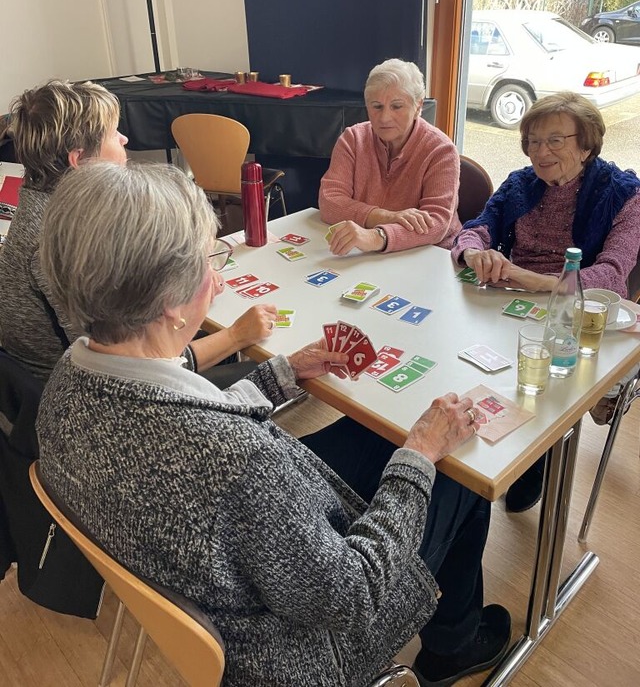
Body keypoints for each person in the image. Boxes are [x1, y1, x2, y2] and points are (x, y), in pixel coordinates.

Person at [37, 161, 511, 687]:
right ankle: (454, 645)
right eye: (208, 258)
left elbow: (188, 410)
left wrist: (282, 374)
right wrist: (421, 453)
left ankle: (454, 626)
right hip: (302, 650)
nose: (216, 277)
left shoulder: (66, 383)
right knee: (461, 471)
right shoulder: (239, 463)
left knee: (374, 432)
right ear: (170, 304)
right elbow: (348, 597)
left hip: (211, 570)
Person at [0, 79, 275, 383]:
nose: (124, 139)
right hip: (84, 393)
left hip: (66, 381)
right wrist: (236, 336)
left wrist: (190, 287)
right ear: (79, 160)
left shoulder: (45, 208)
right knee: (261, 372)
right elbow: (123, 369)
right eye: (112, 134)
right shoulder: (60, 243)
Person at [452, 91, 640, 512]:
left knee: (546, 371)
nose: (541, 151)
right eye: (533, 141)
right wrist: (474, 252)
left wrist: (537, 281)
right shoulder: (521, 184)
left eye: (556, 140)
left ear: (586, 144)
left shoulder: (625, 194)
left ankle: (541, 449)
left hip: (582, 316)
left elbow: (612, 274)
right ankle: (506, 453)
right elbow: (475, 228)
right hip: (514, 302)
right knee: (477, 360)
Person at [319, 58, 461, 255]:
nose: (384, 118)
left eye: (396, 106)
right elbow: (329, 201)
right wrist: (386, 217)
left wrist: (377, 237)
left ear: (418, 106)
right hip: (366, 253)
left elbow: (436, 224)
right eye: (377, 106)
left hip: (430, 254)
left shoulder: (441, 150)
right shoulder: (353, 139)